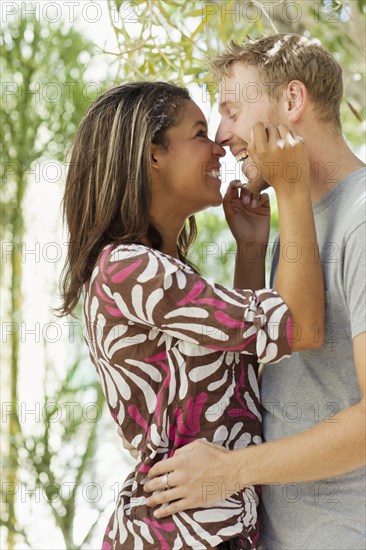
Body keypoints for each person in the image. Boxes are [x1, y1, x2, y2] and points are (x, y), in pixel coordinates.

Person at [58, 81, 324, 549]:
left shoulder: (151, 271)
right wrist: (293, 188)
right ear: (152, 154)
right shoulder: (130, 269)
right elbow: (300, 327)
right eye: (200, 131)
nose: (219, 145)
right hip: (176, 535)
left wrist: (250, 251)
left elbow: (237, 370)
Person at [144, 35, 366, 549]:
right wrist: (251, 255)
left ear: (291, 102)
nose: (222, 136)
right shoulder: (299, 223)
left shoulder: (360, 219)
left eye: (231, 110)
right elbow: (275, 361)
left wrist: (231, 471)